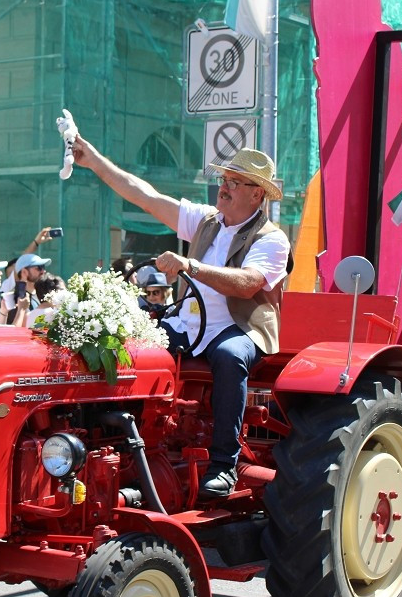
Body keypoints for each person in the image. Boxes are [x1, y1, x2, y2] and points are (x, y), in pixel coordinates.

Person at [72, 138, 290, 499]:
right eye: (224, 179)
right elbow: (144, 195)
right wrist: (94, 160)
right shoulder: (206, 221)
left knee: (230, 356)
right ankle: (116, 448)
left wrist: (192, 265)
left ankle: (224, 465)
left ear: (257, 195)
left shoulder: (272, 239)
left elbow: (248, 284)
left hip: (238, 328)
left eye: (235, 182)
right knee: (130, 348)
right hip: (189, 324)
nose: (224, 187)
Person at [6, 253, 52, 324]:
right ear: (24, 272)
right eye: (39, 268)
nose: (43, 271)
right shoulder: (14, 298)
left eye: (43, 267)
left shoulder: (41, 293)